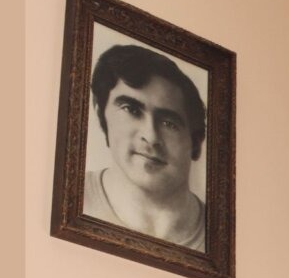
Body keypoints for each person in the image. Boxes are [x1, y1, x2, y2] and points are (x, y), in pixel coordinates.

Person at [84, 43, 208, 252]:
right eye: (131, 109)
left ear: (195, 143)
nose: (150, 137)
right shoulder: (70, 196)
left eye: (169, 123)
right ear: (101, 114)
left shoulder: (218, 238)